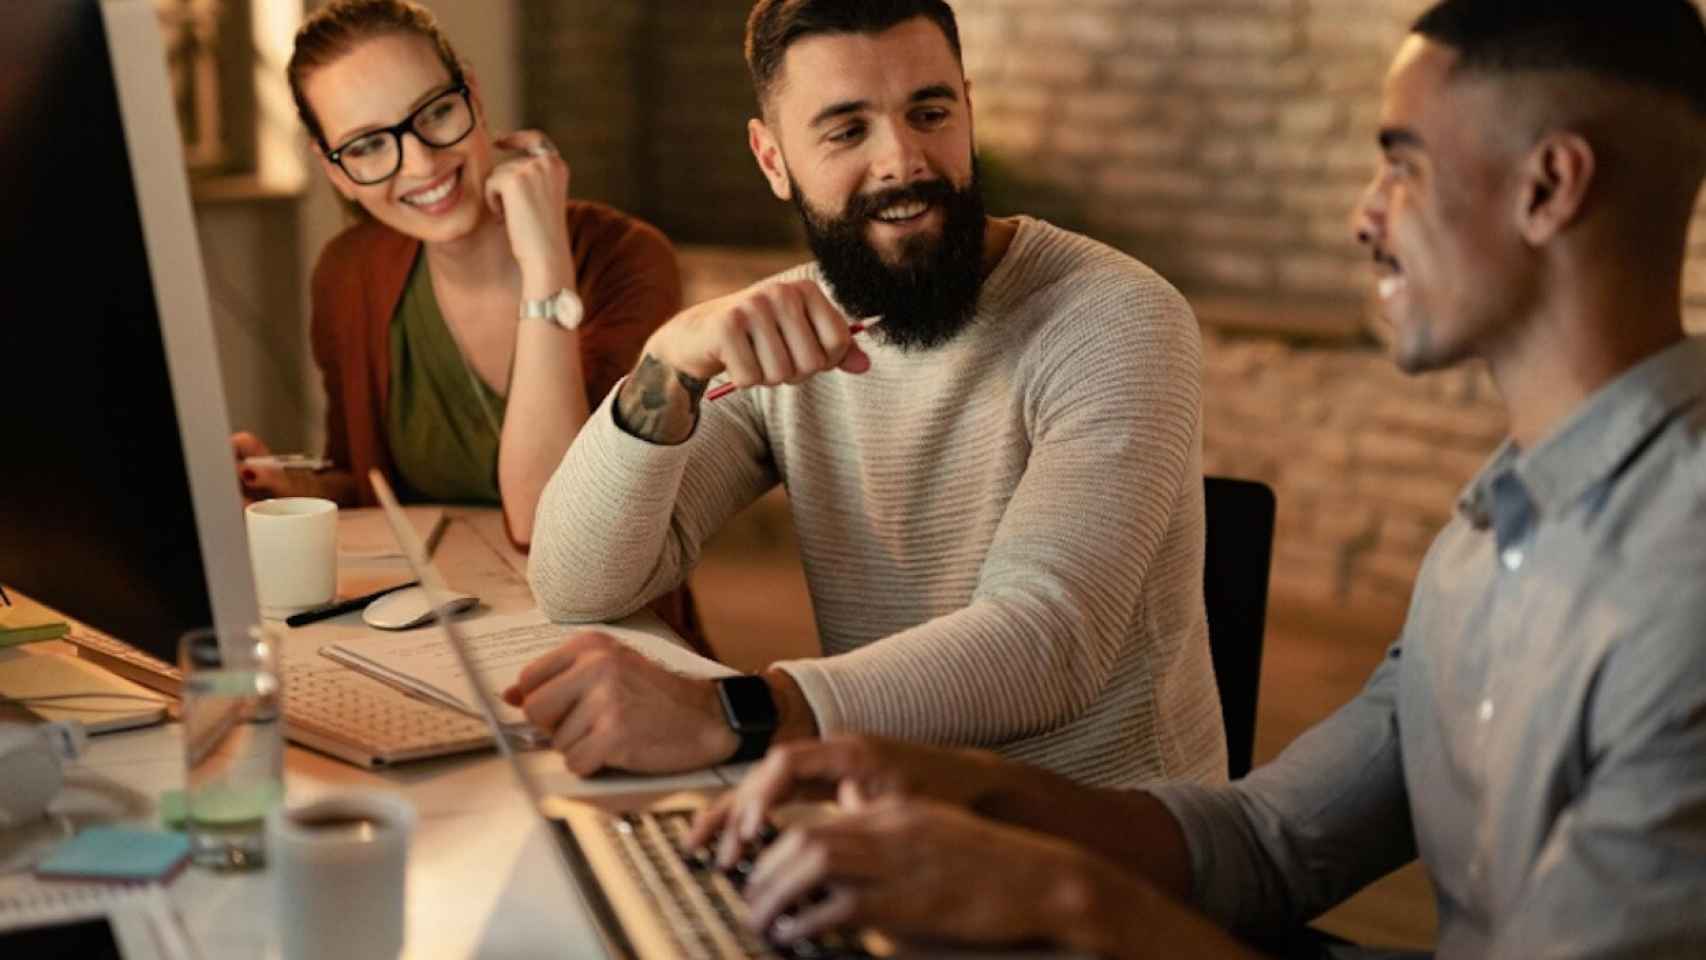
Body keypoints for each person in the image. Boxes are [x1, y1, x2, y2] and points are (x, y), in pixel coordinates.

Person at [683, 2, 1706, 957]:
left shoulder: (1681, 584)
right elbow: (1269, 840)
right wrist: (963, 793)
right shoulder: (1495, 524)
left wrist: (1061, 899)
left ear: (1546, 189)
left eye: (1402, 167)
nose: (1363, 217)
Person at [507, 0, 1226, 786]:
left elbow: (1050, 640)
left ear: (968, 110)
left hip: (1110, 857)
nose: (904, 160)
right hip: (887, 817)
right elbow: (577, 581)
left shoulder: (1116, 316)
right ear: (773, 159)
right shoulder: (789, 329)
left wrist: (732, 712)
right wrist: (668, 359)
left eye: (929, 111)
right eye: (847, 130)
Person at [232, 0, 699, 645]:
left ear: (473, 96)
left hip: (610, 640)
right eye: (368, 145)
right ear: (334, 169)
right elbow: (373, 487)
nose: (422, 165)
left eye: (436, 113)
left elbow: (553, 525)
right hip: (438, 633)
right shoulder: (349, 273)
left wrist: (547, 275)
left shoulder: (625, 258)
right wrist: (290, 486)